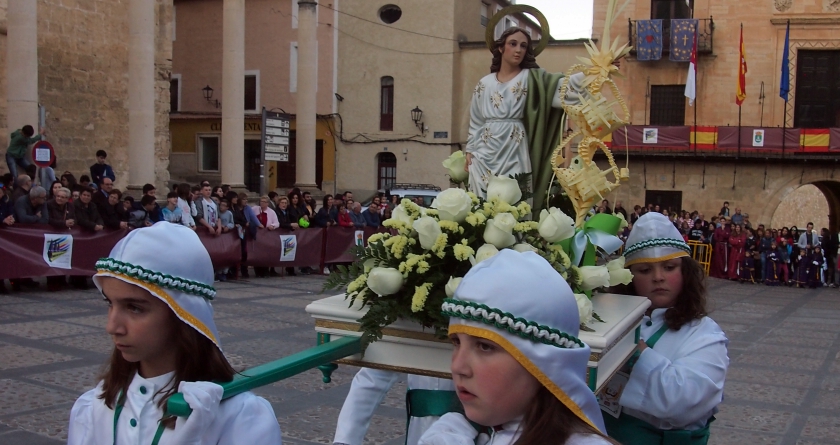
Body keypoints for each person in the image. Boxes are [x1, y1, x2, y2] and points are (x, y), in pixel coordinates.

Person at [67, 223, 282, 444]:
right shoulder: (96, 406)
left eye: (135, 308)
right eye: (110, 303)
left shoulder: (238, 417)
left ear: (185, 315)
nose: (112, 327)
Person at [417, 250, 613, 445]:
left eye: (485, 346)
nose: (457, 367)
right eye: (456, 342)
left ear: (547, 364)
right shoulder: (454, 433)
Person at [607, 212, 728, 444]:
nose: (658, 277)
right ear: (629, 277)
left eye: (669, 267)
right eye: (644, 270)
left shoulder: (705, 334)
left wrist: (634, 352)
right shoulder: (611, 320)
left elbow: (683, 401)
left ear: (685, 271)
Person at [464, 27, 586, 211]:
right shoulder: (485, 83)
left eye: (523, 46)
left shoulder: (532, 79)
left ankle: (518, 236)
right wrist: (470, 150)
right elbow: (476, 121)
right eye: (513, 44)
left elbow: (561, 88)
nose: (518, 50)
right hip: (485, 151)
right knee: (482, 200)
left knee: (515, 196)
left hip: (515, 146)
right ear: (501, 48)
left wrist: (595, 72)